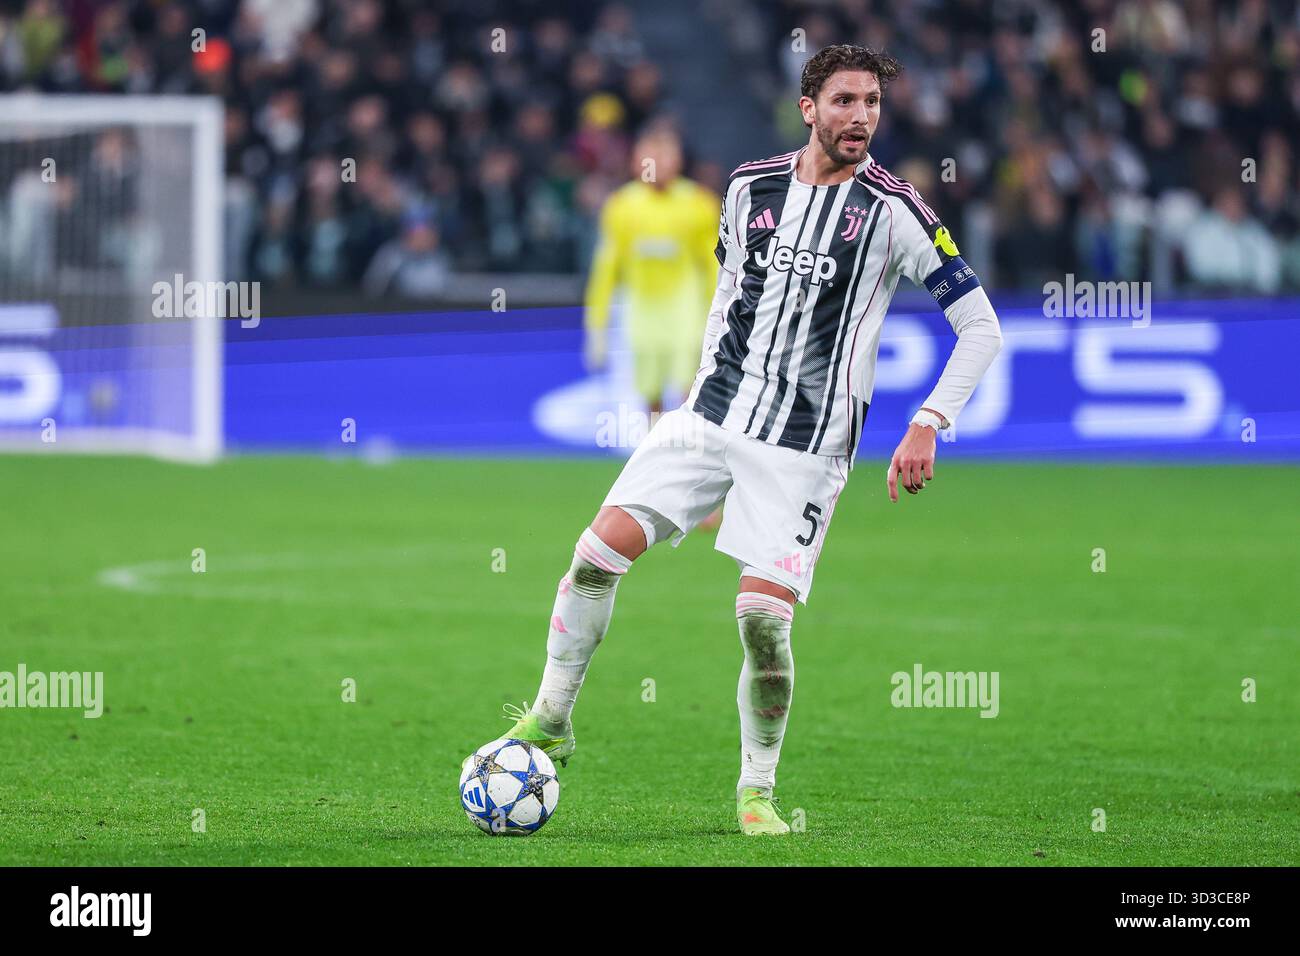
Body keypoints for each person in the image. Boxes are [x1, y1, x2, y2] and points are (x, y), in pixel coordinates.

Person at [492, 44, 1004, 836]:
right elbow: (732, 292)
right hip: (712, 418)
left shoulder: (897, 212)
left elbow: (979, 327)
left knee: (762, 621)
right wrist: (698, 397)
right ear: (809, 107)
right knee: (593, 558)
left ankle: (756, 792)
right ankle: (551, 718)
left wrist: (928, 421)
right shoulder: (747, 187)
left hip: (805, 447)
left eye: (871, 102)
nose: (860, 116)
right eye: (844, 101)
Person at [583, 123, 721, 417]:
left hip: (686, 309)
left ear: (678, 160)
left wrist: (719, 314)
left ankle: (686, 456)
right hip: (641, 311)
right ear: (636, 161)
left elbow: (713, 266)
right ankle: (656, 453)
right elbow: (606, 269)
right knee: (650, 393)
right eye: (650, 156)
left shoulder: (699, 204)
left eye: (666, 155)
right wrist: (596, 324)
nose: (657, 163)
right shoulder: (621, 207)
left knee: (689, 391)